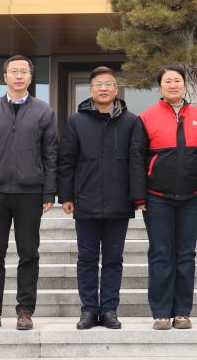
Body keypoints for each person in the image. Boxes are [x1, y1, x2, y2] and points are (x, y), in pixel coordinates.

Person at [0, 55, 58, 331]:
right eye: (14, 71)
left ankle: (25, 310)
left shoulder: (44, 112)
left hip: (30, 192)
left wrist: (49, 192)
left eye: (24, 71)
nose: (19, 76)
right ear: (5, 76)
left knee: (28, 253)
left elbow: (51, 154)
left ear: (30, 77)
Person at [130, 65, 197, 330]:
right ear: (160, 86)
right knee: (161, 253)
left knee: (186, 254)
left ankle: (182, 312)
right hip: (157, 198)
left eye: (177, 80)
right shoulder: (147, 117)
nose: (173, 85)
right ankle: (162, 313)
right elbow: (136, 158)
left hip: (192, 198)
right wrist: (139, 196)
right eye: (168, 81)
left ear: (185, 85)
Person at [58, 66, 138, 330]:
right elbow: (66, 161)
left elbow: (136, 162)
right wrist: (66, 195)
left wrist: (137, 196)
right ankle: (89, 310)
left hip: (119, 201)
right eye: (98, 85)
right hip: (86, 200)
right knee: (87, 258)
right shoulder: (76, 121)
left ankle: (110, 310)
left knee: (114, 259)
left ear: (117, 89)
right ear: (90, 89)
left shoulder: (131, 121)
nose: (103, 89)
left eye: (108, 84)